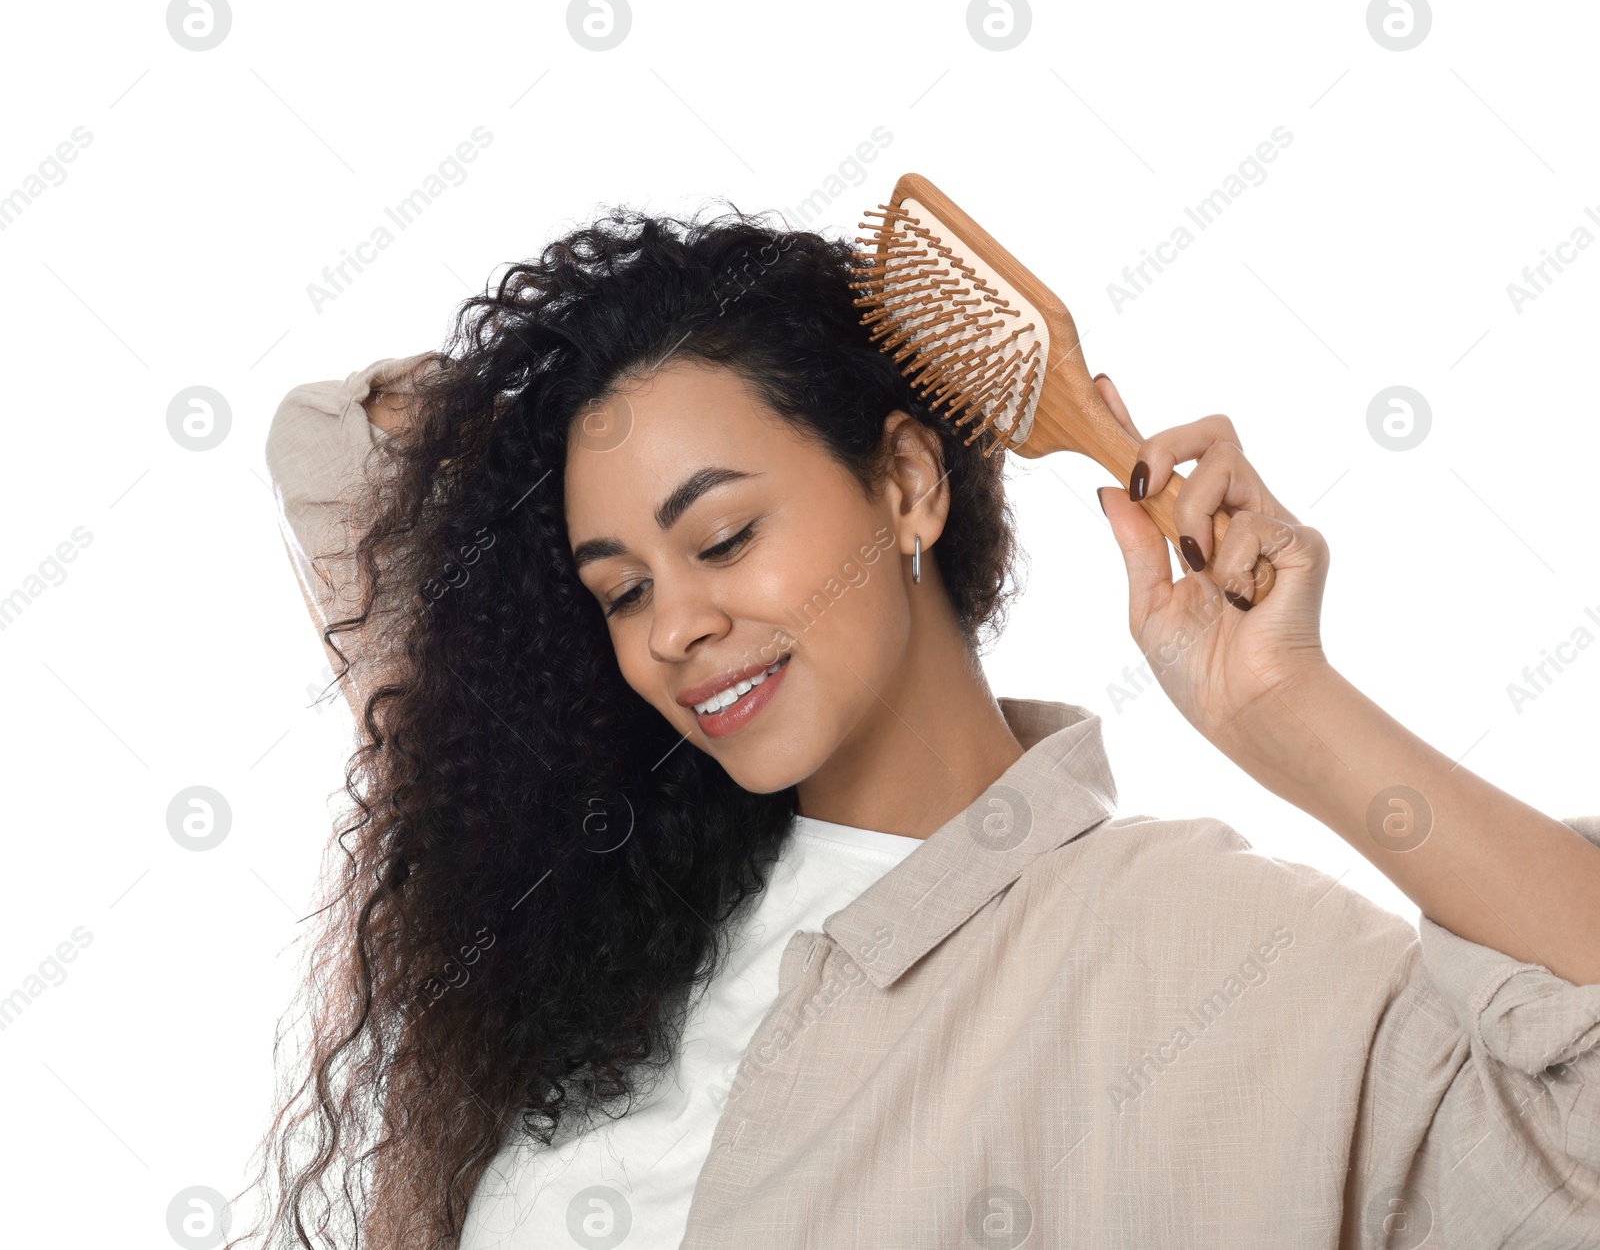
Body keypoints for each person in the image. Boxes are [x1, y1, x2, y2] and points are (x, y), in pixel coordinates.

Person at [240, 206, 1600, 1249]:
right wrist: (587, 363)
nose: (674, 628)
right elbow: (330, 456)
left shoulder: (1198, 952)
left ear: (905, 483)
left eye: (724, 533)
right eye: (621, 589)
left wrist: (1292, 713)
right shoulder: (607, 882)